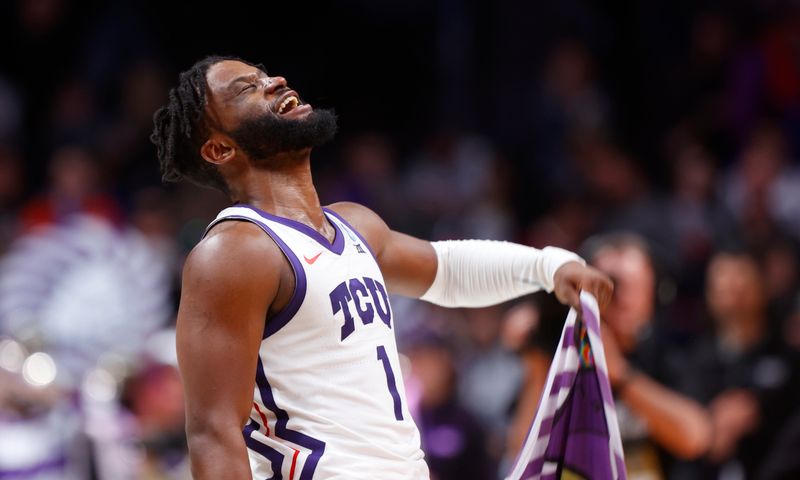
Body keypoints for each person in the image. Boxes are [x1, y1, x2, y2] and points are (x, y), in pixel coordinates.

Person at [149, 55, 613, 480]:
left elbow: (446, 270)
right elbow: (214, 433)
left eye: (265, 73)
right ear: (219, 150)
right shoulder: (233, 253)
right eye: (247, 88)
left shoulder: (354, 224)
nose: (274, 82)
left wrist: (549, 266)